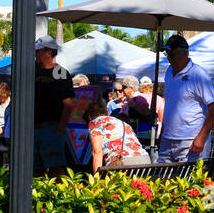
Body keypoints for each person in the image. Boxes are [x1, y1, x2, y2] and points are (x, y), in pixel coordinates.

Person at [157, 34, 214, 164]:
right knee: (163, 181)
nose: (169, 58)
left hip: (190, 141)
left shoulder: (198, 74)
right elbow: (169, 105)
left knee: (191, 183)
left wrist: (201, 137)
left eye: (172, 54)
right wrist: (162, 133)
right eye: (167, 54)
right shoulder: (169, 72)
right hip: (167, 140)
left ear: (185, 53)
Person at [33, 37, 75, 175]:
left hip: (51, 127)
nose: (36, 54)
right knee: (34, 169)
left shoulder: (61, 72)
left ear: (49, 52)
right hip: (32, 129)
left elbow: (68, 104)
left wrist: (59, 130)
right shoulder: (32, 72)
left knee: (56, 168)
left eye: (39, 51)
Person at [85, 99, 150, 172]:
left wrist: (96, 180)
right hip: (145, 160)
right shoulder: (120, 122)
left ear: (89, 117)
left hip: (125, 163)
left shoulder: (95, 122)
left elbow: (97, 152)